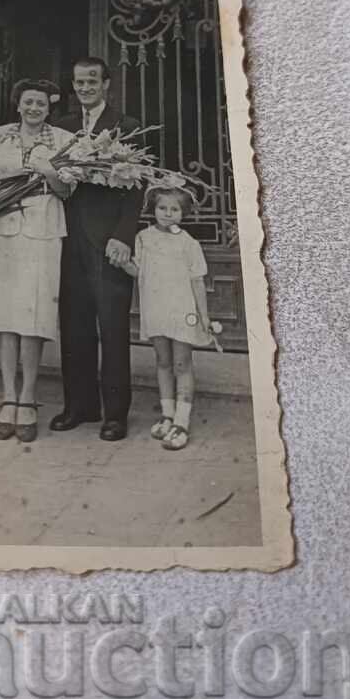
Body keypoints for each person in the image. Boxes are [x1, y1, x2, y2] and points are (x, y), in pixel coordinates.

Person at [0, 79, 74, 442]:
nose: (34, 108)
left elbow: (66, 190)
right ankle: (7, 398)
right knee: (5, 316)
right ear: (18, 104)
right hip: (2, 231)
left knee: (34, 315)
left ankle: (28, 397)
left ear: (49, 107)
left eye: (41, 104)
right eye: (28, 102)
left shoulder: (62, 140)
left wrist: (47, 171)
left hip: (42, 233)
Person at [52, 57, 144, 441]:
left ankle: (115, 413)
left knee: (112, 326)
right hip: (68, 240)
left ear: (107, 83)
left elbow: (138, 186)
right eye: (79, 82)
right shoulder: (62, 128)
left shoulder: (127, 127)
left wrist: (123, 236)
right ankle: (80, 405)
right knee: (73, 327)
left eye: (92, 81)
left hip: (109, 243)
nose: (85, 88)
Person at [121, 185, 212, 450]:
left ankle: (182, 422)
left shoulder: (188, 244)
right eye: (163, 208)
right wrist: (120, 260)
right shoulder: (143, 238)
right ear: (154, 209)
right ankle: (167, 415)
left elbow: (197, 282)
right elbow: (138, 271)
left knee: (182, 363)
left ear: (183, 213)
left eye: (175, 209)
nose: (168, 213)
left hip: (182, 311)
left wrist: (203, 316)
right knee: (162, 361)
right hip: (156, 309)